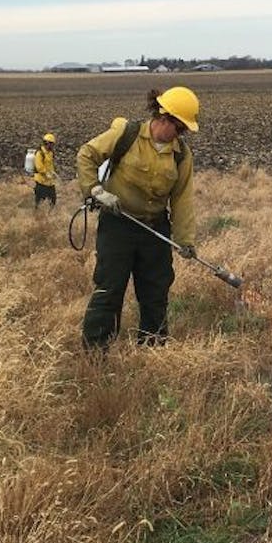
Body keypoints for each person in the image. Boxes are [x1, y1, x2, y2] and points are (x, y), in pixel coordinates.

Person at [76, 87, 200, 349]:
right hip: (118, 225)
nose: (181, 135)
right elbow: (86, 154)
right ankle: (96, 352)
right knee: (109, 289)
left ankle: (152, 348)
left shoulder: (181, 155)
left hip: (154, 229)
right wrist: (96, 190)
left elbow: (182, 198)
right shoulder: (127, 134)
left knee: (156, 292)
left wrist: (185, 240)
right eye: (179, 129)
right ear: (164, 118)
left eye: (184, 131)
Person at [33, 132, 57, 208]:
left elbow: (50, 165)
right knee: (39, 202)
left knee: (53, 200)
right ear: (47, 143)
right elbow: (39, 167)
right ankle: (37, 217)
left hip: (49, 182)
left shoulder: (50, 153)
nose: (52, 146)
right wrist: (46, 173)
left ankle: (49, 216)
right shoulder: (40, 153)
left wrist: (53, 173)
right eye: (52, 144)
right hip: (41, 182)